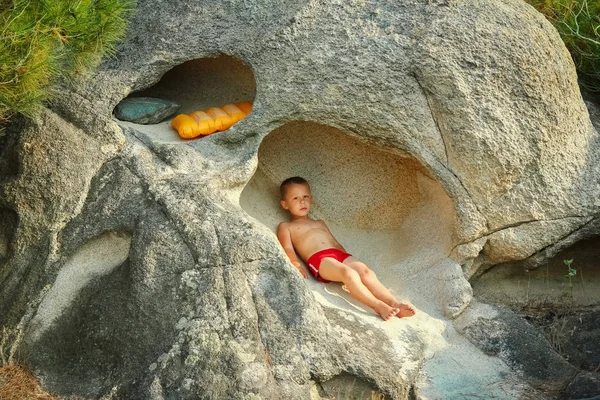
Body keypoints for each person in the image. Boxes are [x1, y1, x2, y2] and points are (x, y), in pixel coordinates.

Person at [276, 176, 416, 321]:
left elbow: (335, 243)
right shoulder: (286, 226)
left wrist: (348, 258)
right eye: (295, 198)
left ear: (311, 198)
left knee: (365, 272)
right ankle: (378, 306)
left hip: (338, 254)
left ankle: (395, 304)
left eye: (305, 196)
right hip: (319, 259)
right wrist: (296, 264)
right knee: (348, 273)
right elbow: (287, 247)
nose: (302, 201)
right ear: (285, 204)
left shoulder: (319, 223)